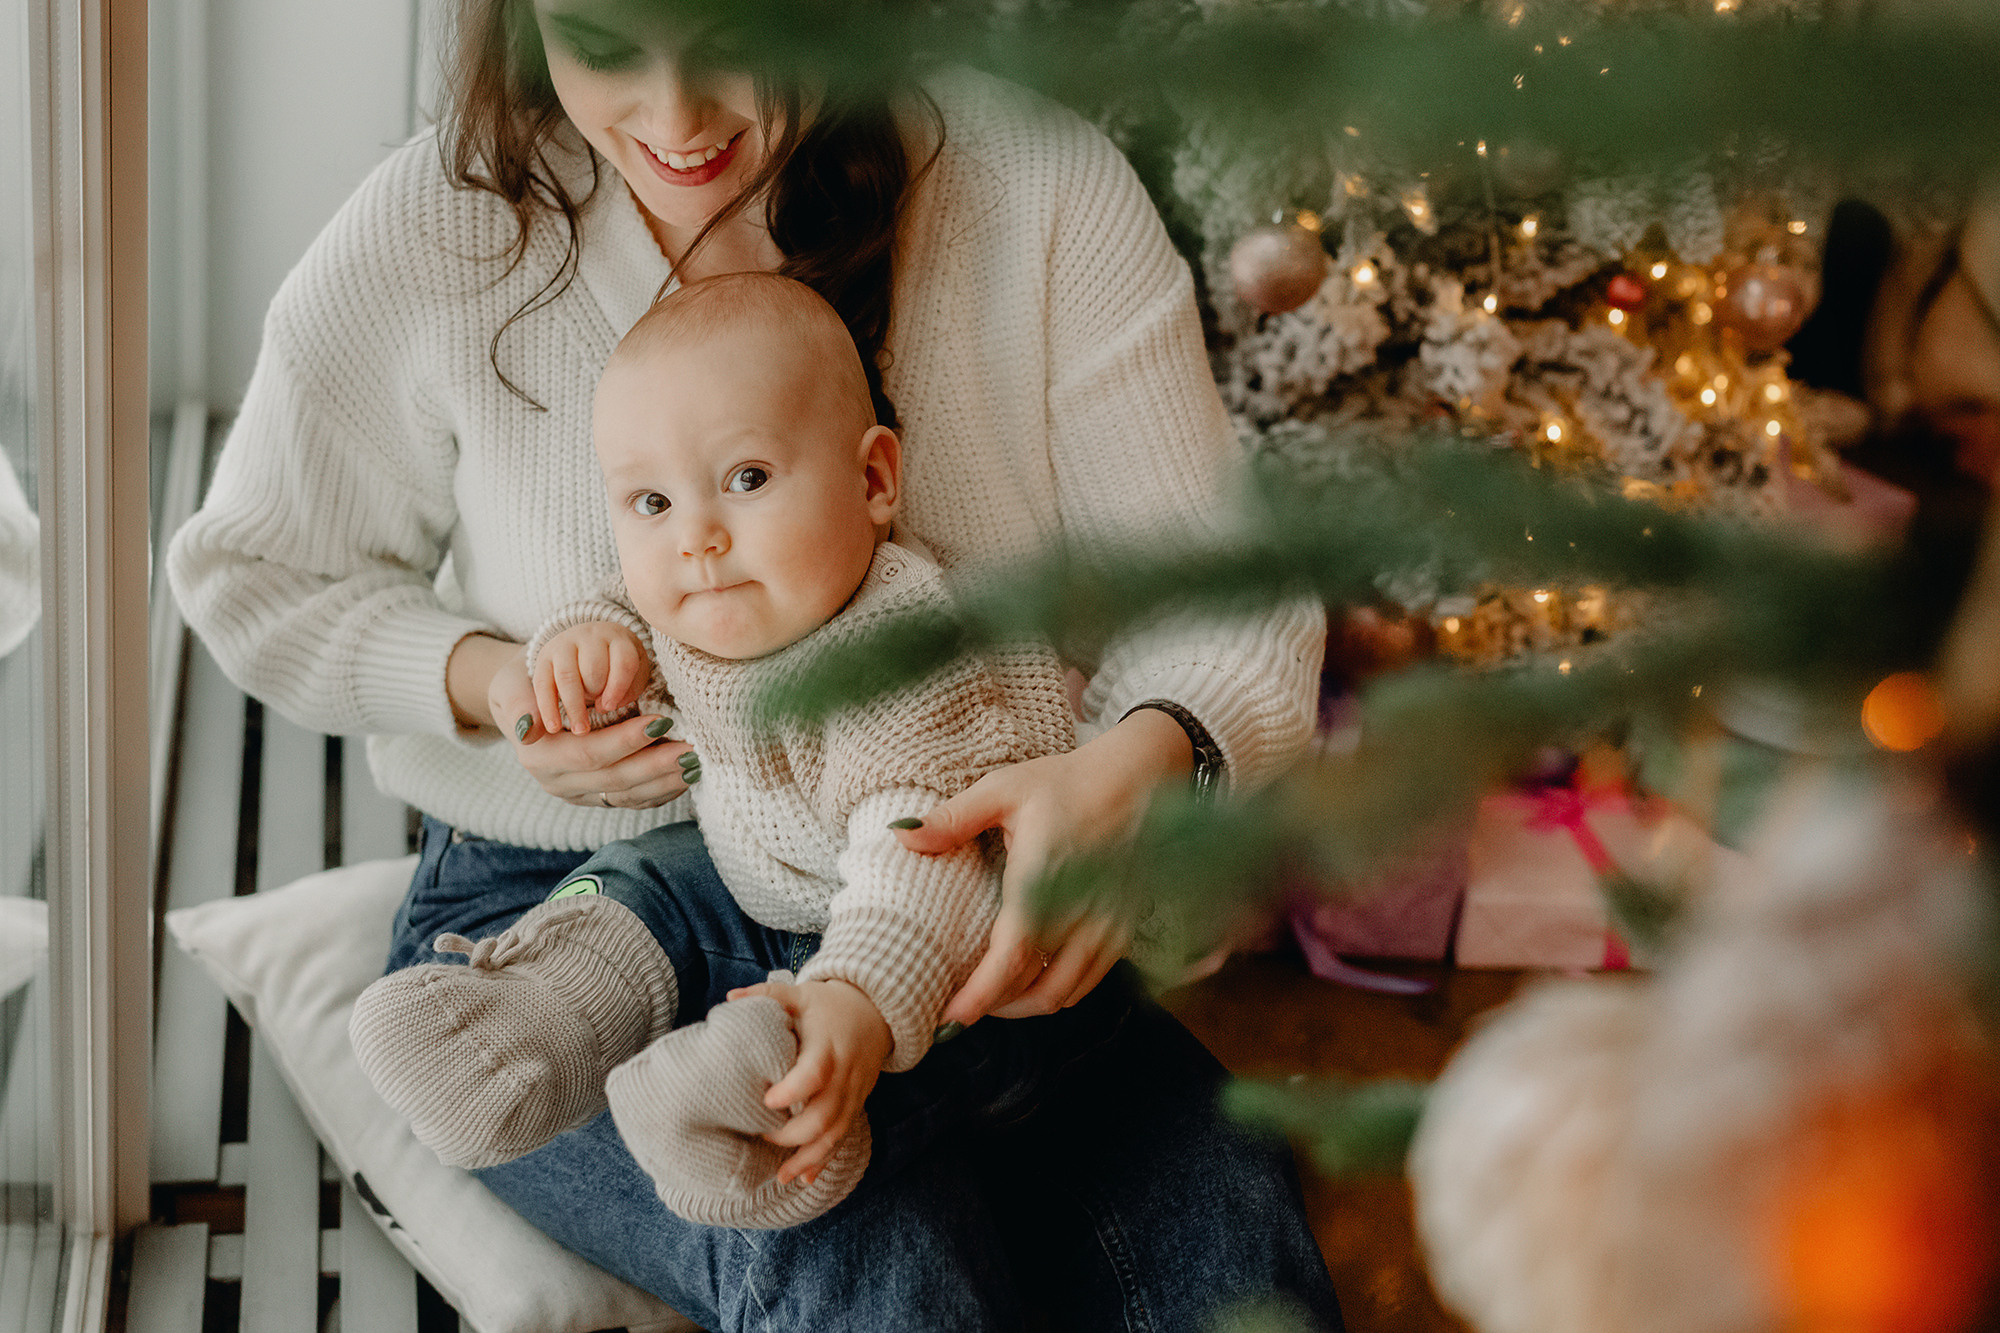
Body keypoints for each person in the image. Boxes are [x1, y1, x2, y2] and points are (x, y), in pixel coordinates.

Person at [168, 0, 1338, 1324]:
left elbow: (1224, 597)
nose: (676, 118)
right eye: (605, 39)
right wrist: (497, 683)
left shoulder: (1039, 193)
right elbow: (252, 572)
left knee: (1227, 1240)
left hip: (955, 894)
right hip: (559, 927)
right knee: (861, 1248)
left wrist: (1138, 764)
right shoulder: (445, 226)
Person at [351, 271, 1079, 1232]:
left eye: (747, 479)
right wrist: (580, 642)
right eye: (650, 502)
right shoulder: (717, 601)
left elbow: (924, 851)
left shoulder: (902, 653)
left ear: (873, 481)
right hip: (770, 891)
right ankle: (533, 1021)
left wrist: (859, 999)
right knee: (640, 878)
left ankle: (766, 1131)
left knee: (914, 1062)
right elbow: (627, 607)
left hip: (945, 952)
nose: (694, 539)